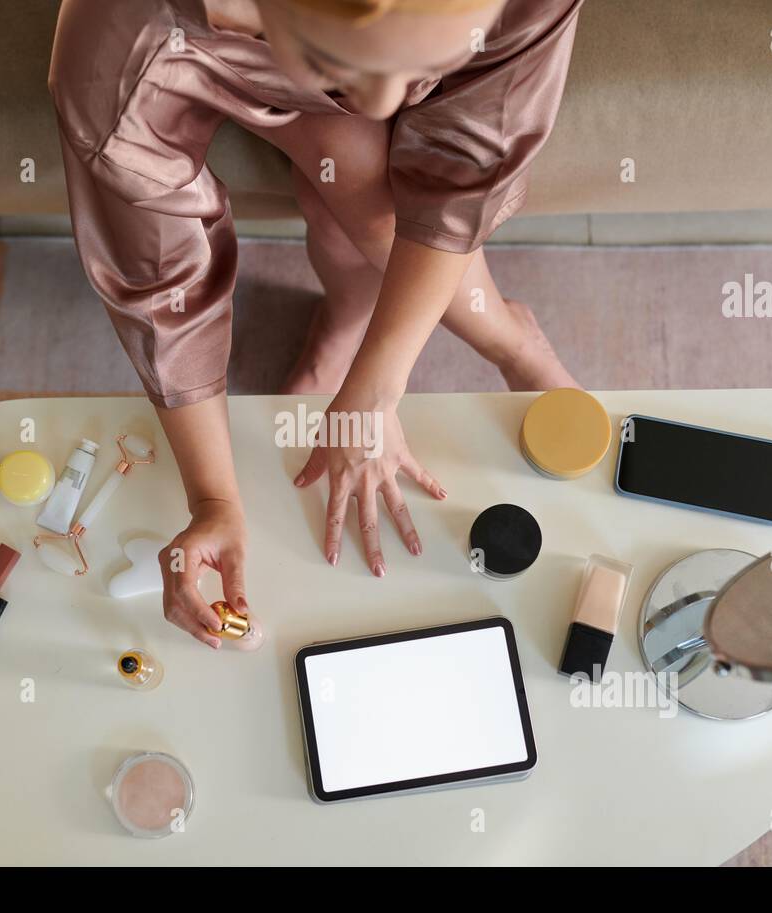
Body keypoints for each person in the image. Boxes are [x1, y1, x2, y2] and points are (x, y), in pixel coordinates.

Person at [49, 0, 583, 647]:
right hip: (222, 54)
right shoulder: (120, 56)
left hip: (311, 55)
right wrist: (213, 500)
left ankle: (481, 332)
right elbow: (165, 291)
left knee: (362, 186)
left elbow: (467, 161)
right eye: (342, 62)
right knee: (359, 167)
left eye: (425, 65)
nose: (390, 108)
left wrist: (376, 387)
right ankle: (448, 327)